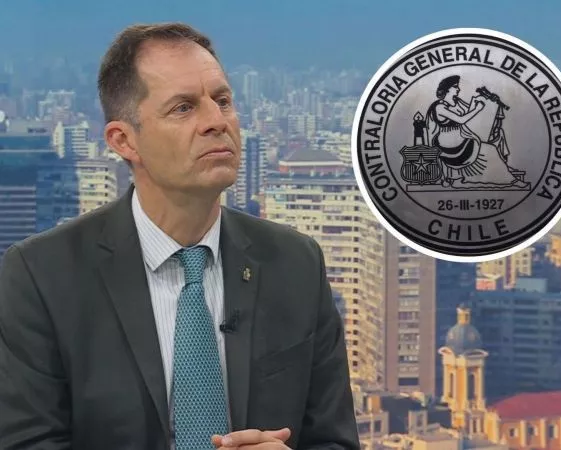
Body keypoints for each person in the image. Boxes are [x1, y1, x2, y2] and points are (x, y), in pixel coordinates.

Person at [0, 22, 359, 450]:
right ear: (124, 141)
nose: (216, 122)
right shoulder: (41, 277)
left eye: (222, 101)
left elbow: (334, 439)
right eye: (183, 108)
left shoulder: (296, 263)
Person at [425, 75, 529, 189]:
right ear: (447, 89)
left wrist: (482, 100)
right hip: (450, 146)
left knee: (497, 137)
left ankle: (505, 173)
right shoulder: (439, 107)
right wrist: (477, 109)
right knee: (490, 149)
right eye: (455, 87)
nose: (458, 89)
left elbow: (467, 113)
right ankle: (510, 180)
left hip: (461, 140)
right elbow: (461, 119)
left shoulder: (454, 102)